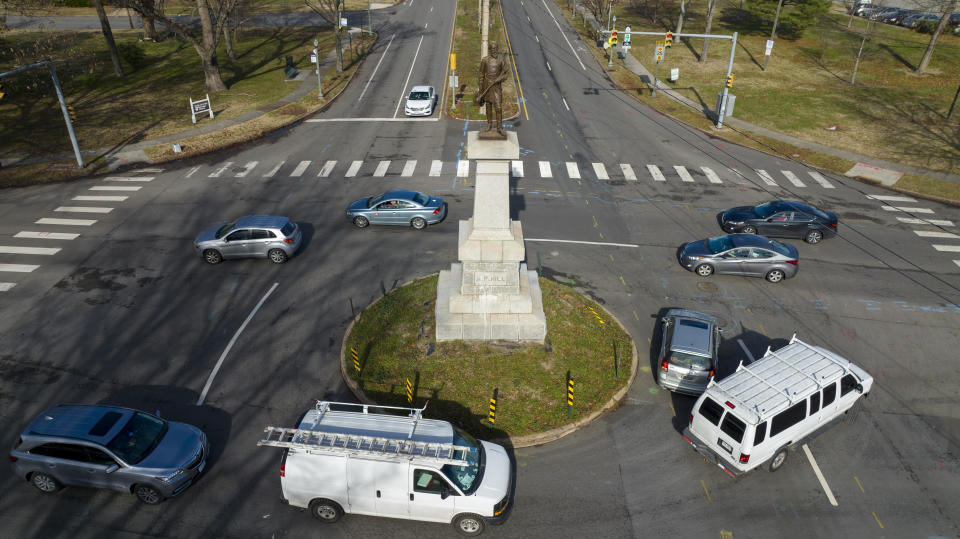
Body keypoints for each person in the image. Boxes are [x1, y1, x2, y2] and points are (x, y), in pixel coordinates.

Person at [474, 41, 510, 137]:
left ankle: (499, 128)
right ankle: (489, 124)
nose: (494, 50)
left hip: (497, 87)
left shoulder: (501, 60)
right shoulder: (485, 60)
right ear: (489, 50)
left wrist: (499, 79)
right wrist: (481, 89)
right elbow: (481, 74)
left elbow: (506, 74)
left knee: (498, 107)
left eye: (495, 49)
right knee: (488, 106)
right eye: (492, 49)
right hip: (487, 85)